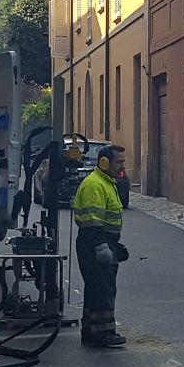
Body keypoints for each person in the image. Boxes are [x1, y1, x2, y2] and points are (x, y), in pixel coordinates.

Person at [74, 145, 129, 349]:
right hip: (95, 243)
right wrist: (101, 246)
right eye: (119, 162)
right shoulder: (95, 185)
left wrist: (114, 244)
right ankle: (105, 333)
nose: (122, 166)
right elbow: (92, 220)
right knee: (103, 289)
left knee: (96, 288)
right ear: (104, 162)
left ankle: (91, 330)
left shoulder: (106, 182)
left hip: (103, 241)